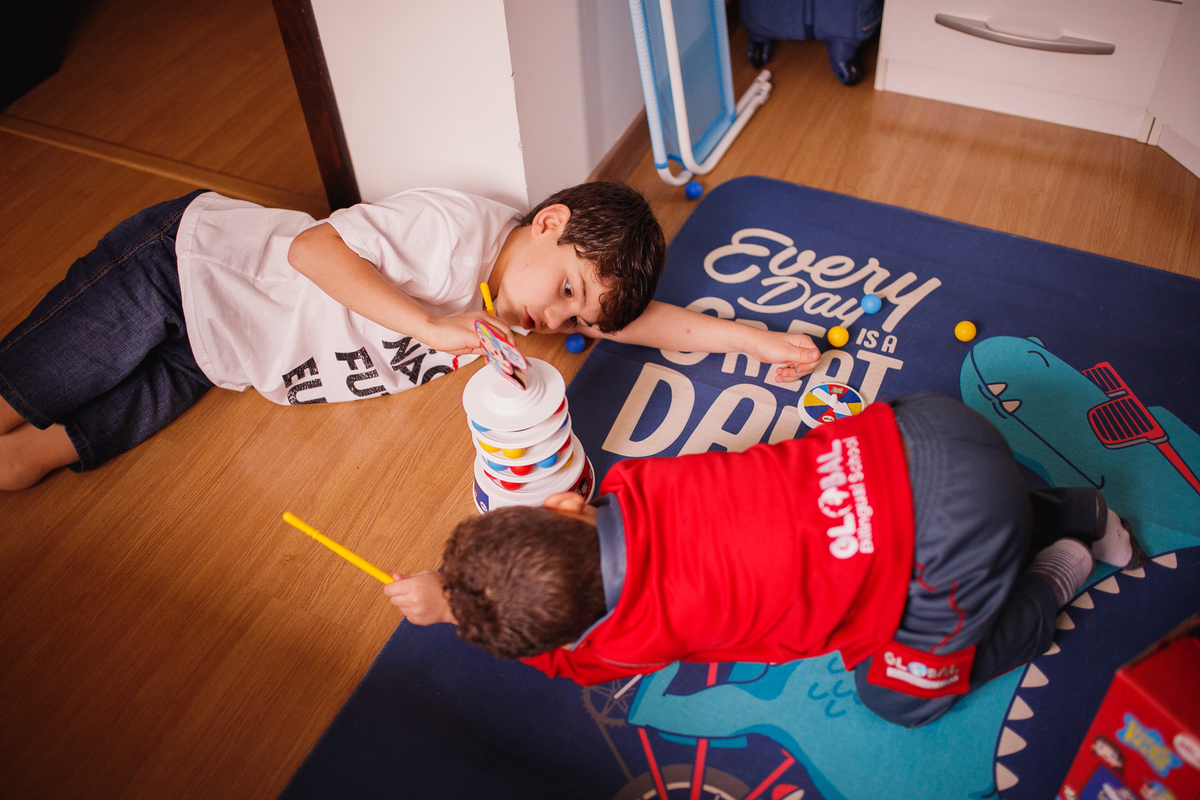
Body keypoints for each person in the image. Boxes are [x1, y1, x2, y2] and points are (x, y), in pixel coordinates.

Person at [386, 392, 1148, 728]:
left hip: (954, 536)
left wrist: (450, 604)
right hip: (924, 426)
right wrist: (462, 573)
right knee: (957, 499)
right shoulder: (637, 481)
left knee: (897, 698)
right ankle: (1077, 509)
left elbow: (561, 660)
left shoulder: (632, 637)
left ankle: (1058, 570)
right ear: (563, 506)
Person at [0, 181, 821, 490]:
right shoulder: (454, 232)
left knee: (42, 454)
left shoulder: (521, 306)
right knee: (30, 385)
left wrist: (753, 342)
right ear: (549, 222)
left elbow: (632, 322)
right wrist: (428, 323)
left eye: (576, 321)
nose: (558, 322)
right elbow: (309, 247)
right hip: (184, 267)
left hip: (223, 355)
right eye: (566, 291)